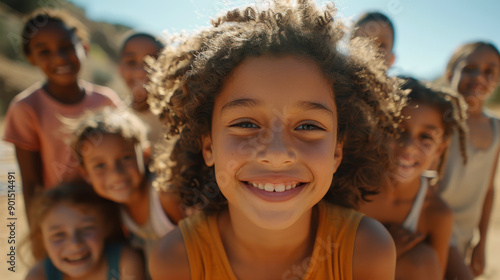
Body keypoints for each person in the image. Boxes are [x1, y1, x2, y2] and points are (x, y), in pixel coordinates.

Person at [147, 1, 407, 279]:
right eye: (246, 124)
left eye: (308, 125)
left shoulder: (365, 251)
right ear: (209, 146)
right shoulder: (177, 260)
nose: (276, 153)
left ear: (336, 152)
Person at [2, 8, 124, 216]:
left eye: (66, 47)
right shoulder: (26, 108)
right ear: (30, 58)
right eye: (44, 52)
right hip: (63, 218)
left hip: (111, 212)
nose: (59, 58)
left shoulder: (107, 100)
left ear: (84, 48)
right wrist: (39, 240)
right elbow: (31, 184)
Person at [359, 77, 468, 280]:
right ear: (377, 129)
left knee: (423, 259)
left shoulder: (436, 214)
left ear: (440, 149)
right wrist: (385, 251)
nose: (409, 146)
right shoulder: (351, 189)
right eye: (398, 130)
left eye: (425, 137)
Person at [71, 107, 185, 262]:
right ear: (85, 174)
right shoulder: (113, 209)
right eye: (100, 166)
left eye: (125, 158)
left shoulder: (166, 197)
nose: (116, 173)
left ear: (145, 154)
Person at [439, 41, 500, 278]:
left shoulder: (496, 128)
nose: (479, 77)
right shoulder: (440, 120)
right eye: (470, 68)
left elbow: (488, 189)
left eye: (489, 71)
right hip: (428, 228)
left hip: (464, 235)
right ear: (450, 73)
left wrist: (481, 243)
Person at [24, 179, 145, 280]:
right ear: (42, 239)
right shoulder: (39, 276)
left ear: (106, 227)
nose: (75, 244)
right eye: (59, 235)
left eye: (86, 229)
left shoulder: (125, 262)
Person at [119, 32, 165, 146]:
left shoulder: (180, 114)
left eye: (151, 63)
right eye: (131, 62)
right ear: (120, 69)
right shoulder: (119, 118)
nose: (141, 71)